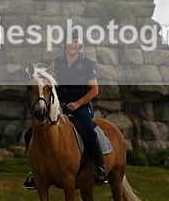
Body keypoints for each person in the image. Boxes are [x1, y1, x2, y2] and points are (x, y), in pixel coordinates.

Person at [23, 30, 107, 189]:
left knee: (89, 129)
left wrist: (77, 103)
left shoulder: (87, 64)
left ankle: (100, 168)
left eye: (75, 42)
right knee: (30, 133)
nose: (72, 45)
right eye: (69, 41)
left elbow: (94, 90)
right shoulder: (55, 63)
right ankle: (36, 172)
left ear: (80, 44)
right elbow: (45, 84)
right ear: (64, 44)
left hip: (80, 106)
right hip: (58, 106)